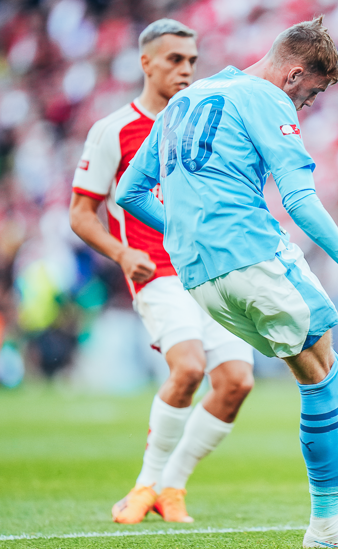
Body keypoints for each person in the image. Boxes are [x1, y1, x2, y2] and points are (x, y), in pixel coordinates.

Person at [116, 17, 338, 548]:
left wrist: (186, 233)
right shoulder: (267, 98)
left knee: (321, 368)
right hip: (252, 253)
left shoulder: (190, 96)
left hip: (200, 275)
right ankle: (327, 526)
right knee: (319, 376)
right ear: (295, 73)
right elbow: (299, 200)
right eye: (312, 94)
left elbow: (132, 194)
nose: (306, 106)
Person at [69, 19, 254, 525]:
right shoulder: (113, 130)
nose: (186, 70)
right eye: (175, 60)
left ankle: (171, 488)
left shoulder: (200, 125)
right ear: (145, 62)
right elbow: (81, 214)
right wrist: (122, 254)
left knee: (237, 382)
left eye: (192, 61)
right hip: (155, 270)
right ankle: (145, 485)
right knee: (190, 368)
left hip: (212, 271)